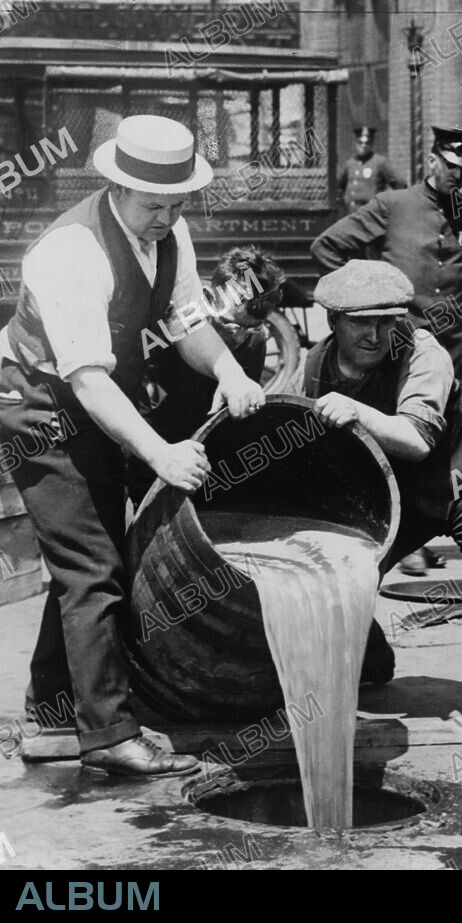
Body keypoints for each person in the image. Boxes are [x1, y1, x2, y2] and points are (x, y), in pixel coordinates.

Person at [0, 115, 265, 777]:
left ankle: (52, 714)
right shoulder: (70, 252)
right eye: (154, 204)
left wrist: (228, 368)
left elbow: (186, 321)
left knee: (94, 557)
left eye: (178, 204)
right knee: (92, 566)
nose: (167, 217)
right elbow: (88, 380)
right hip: (37, 401)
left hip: (90, 395)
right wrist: (161, 453)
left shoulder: (169, 231)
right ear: (118, 186)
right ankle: (109, 734)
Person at [304, 260, 462, 763]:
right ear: (333, 322)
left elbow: (417, 440)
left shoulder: (422, 351)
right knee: (341, 568)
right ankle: (371, 658)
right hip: (401, 495)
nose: (375, 334)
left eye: (386, 320)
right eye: (360, 322)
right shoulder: (316, 363)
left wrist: (359, 411)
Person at [311, 125, 462, 388]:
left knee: (453, 415)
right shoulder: (393, 205)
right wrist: (362, 302)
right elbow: (326, 247)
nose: (458, 175)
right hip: (396, 340)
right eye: (450, 166)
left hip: (451, 343)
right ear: (432, 161)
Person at [127, 245, 285, 506]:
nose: (238, 337)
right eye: (230, 325)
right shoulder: (166, 331)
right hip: (152, 448)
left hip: (205, 456)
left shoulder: (254, 342)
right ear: (210, 299)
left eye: (251, 328)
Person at [338, 126, 405, 215]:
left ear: (372, 143)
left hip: (372, 214)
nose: (363, 146)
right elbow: (339, 187)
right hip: (352, 213)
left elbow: (400, 183)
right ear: (355, 143)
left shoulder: (380, 162)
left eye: (367, 143)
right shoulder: (350, 164)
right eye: (360, 142)